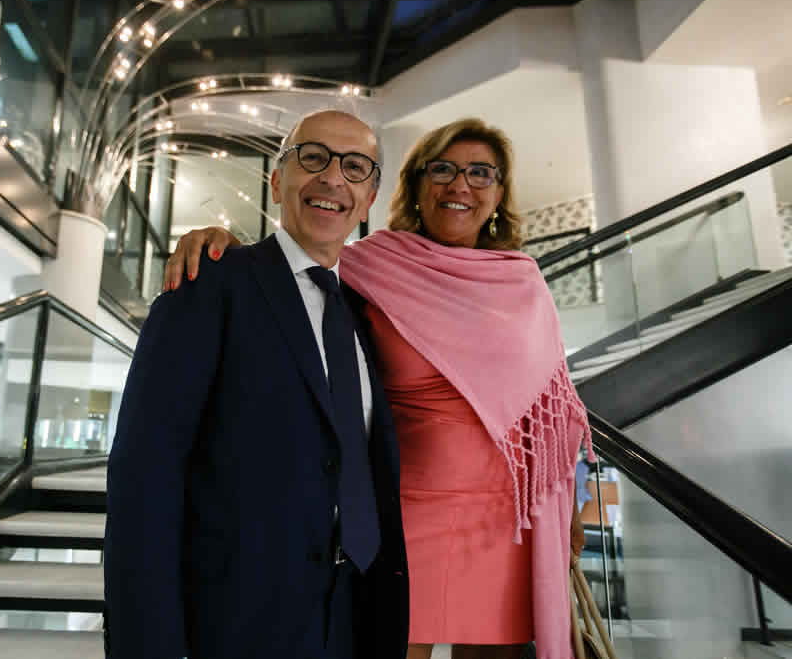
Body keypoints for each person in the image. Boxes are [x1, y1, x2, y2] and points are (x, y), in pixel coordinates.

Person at [163, 118, 592, 659]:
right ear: (415, 185)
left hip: (506, 522)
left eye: (481, 173)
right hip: (405, 515)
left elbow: (548, 412)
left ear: (499, 193)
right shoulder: (370, 267)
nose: (460, 185)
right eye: (442, 169)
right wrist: (227, 248)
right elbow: (294, 273)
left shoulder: (523, 280)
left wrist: (567, 506)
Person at [104, 110, 409, 659]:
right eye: (312, 158)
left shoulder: (368, 316)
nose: (332, 178)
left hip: (354, 614)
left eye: (355, 167)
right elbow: (145, 476)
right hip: (237, 621)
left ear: (368, 200)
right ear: (276, 180)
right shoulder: (208, 283)